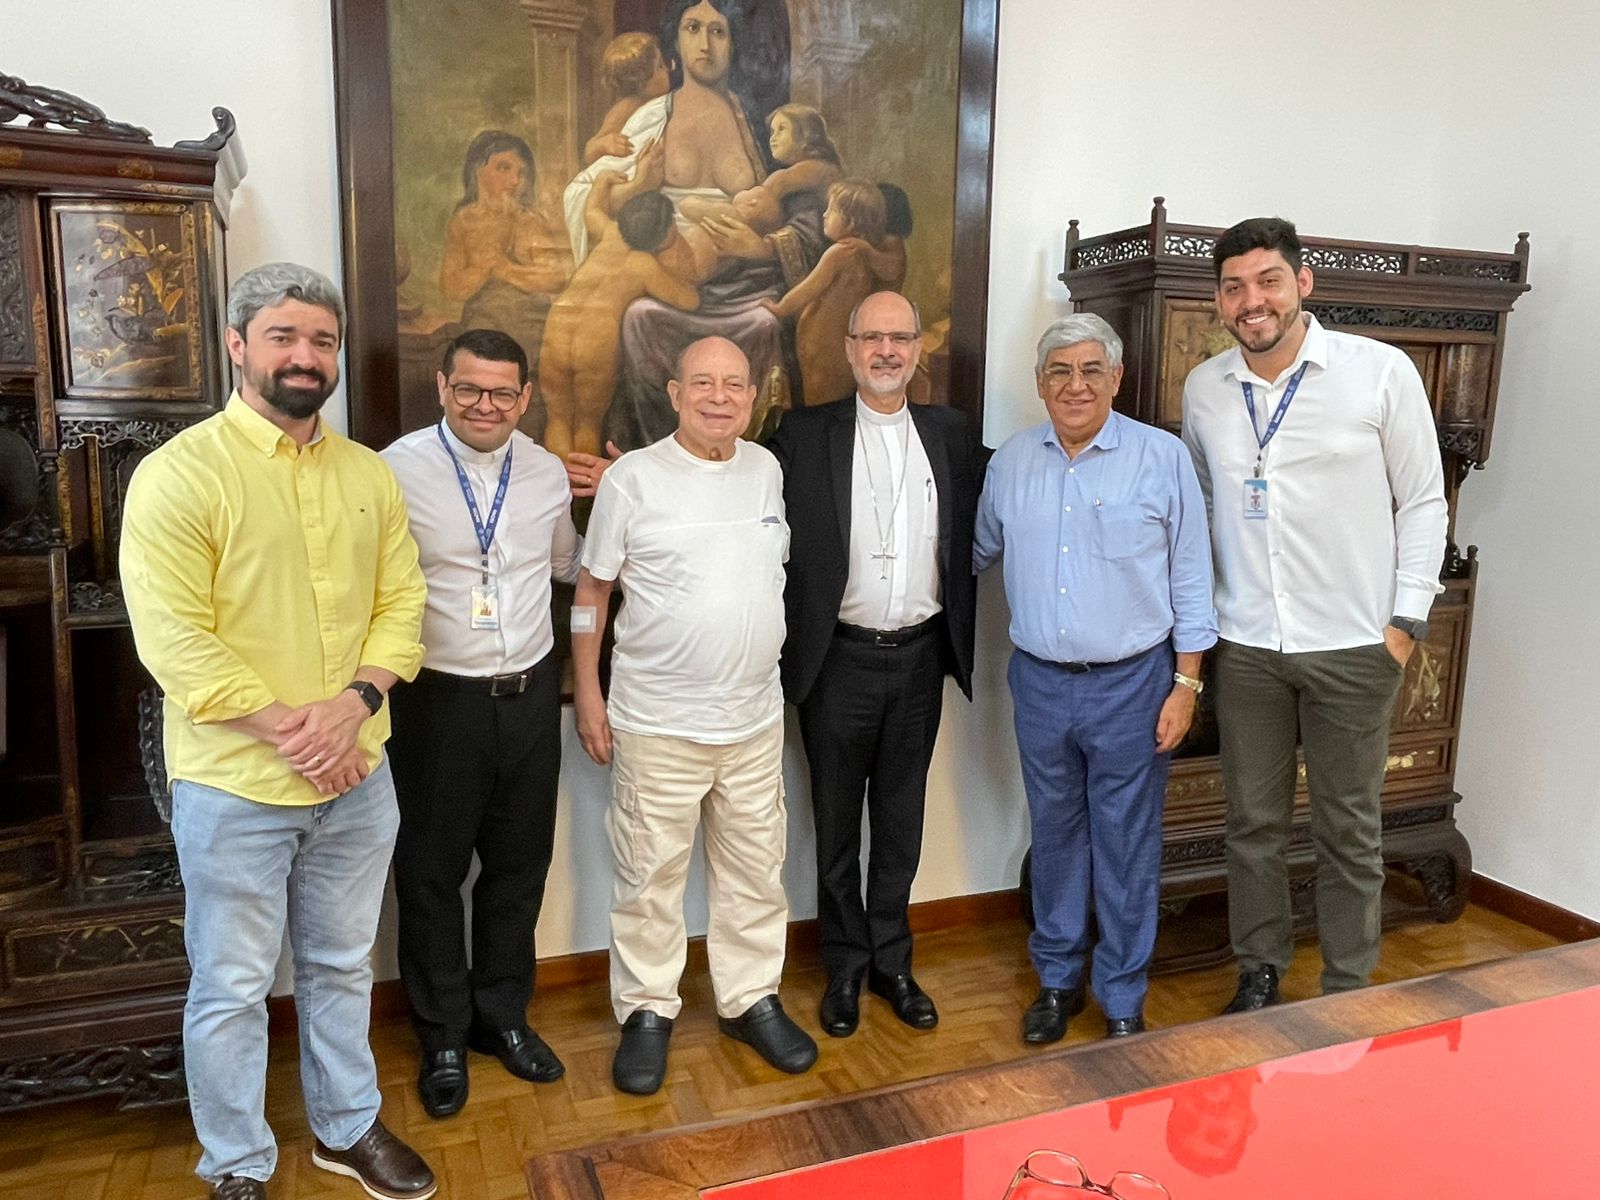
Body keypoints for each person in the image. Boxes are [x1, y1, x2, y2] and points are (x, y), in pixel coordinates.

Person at [120, 263, 434, 1200]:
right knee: (232, 984)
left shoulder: (367, 475)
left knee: (342, 965)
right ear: (237, 345)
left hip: (358, 776)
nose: (306, 356)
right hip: (235, 785)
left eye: (322, 341)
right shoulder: (180, 475)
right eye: (284, 337)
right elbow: (174, 640)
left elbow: (403, 603)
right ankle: (237, 1163)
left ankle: (346, 1127)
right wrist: (297, 732)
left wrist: (355, 706)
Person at [1180, 217, 1448, 1011]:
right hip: (1248, 646)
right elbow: (1201, 507)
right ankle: (1258, 972)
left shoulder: (1380, 373)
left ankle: (1346, 992)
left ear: (1302, 282)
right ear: (1219, 301)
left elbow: (1424, 502)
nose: (1251, 301)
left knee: (1348, 830)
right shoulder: (1205, 389)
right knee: (1252, 825)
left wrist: (1403, 626)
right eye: (1234, 287)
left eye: (1267, 281)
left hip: (1356, 644)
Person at [571, 336, 817, 1096]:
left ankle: (750, 999)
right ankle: (647, 1010)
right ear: (675, 393)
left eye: (734, 384)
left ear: (753, 396)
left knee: (756, 872)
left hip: (752, 721)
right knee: (649, 877)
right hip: (657, 723)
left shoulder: (766, 471)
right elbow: (592, 593)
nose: (720, 397)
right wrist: (588, 693)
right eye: (703, 383)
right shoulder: (633, 480)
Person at [975, 313, 1216, 1043]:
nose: (1074, 386)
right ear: (1039, 383)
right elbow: (974, 552)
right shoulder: (1011, 463)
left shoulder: (1161, 458)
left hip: (1133, 685)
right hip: (1040, 684)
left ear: (1116, 379)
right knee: (1054, 837)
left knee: (1125, 844)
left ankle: (1121, 994)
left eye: (1089, 371)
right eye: (1059, 371)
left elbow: (1192, 576)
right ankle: (1057, 982)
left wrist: (1186, 686)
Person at [769, 290, 984, 1038]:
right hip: (837, 662)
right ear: (850, 348)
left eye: (900, 337)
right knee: (835, 827)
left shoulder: (952, 434)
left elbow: (1024, 483)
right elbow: (727, 479)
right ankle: (845, 966)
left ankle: (893, 961)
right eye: (872, 338)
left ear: (918, 348)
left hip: (920, 659)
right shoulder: (803, 434)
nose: (886, 351)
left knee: (900, 822)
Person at [380, 329, 580, 1119]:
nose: (485, 405)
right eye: (469, 389)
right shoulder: (394, 471)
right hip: (437, 702)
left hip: (529, 695)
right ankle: (442, 1037)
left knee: (518, 867)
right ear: (442, 387)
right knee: (431, 875)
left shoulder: (546, 471)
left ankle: (503, 1017)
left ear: (524, 397)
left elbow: (565, 566)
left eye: (501, 392)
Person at [563, 0, 829, 447]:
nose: (705, 44)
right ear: (676, 39)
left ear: (733, 42)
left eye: (718, 31)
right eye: (693, 28)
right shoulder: (653, 116)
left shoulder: (762, 124)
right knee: (638, 317)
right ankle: (656, 456)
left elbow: (810, 201)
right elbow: (587, 192)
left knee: (766, 324)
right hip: (668, 281)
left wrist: (765, 248)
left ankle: (755, 458)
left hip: (747, 284)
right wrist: (639, 186)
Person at [541, 162, 700, 460]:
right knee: (587, 424)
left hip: (558, 326)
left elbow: (592, 211)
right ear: (664, 232)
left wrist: (602, 181)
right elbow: (690, 300)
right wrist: (679, 256)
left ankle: (557, 486)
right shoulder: (645, 266)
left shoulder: (611, 233)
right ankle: (581, 490)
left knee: (558, 419)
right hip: (594, 343)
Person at [760, 180, 891, 407]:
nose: (824, 214)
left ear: (851, 220)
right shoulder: (866, 254)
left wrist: (780, 308)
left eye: (832, 210)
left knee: (819, 398)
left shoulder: (839, 253)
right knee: (836, 399)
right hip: (841, 345)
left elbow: (808, 290)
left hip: (822, 344)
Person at [583, 32, 672, 166]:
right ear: (641, 81)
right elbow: (589, 151)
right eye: (660, 66)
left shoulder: (665, 104)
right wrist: (605, 144)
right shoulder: (626, 108)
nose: (667, 69)